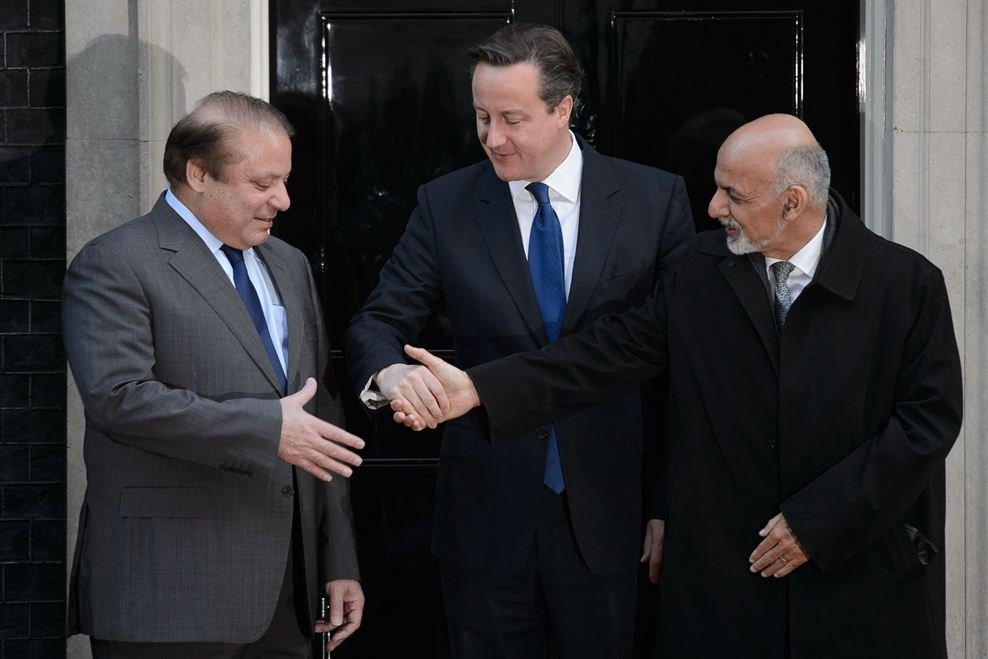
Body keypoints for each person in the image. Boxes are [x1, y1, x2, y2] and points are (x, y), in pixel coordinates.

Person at [393, 114, 964, 659]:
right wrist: (480, 389)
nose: (714, 208)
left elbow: (926, 424)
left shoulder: (905, 285)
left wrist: (818, 523)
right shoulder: (700, 268)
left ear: (793, 203)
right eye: (717, 188)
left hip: (857, 574)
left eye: (733, 196)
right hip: (727, 585)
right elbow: (606, 353)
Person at [343, 23, 694, 659]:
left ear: (564, 110)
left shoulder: (655, 198)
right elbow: (377, 323)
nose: (491, 138)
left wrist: (666, 503)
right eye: (481, 117)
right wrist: (389, 377)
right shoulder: (444, 203)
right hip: (483, 515)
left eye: (511, 118)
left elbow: (678, 362)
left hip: (610, 512)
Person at [63, 91, 366, 658]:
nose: (283, 198)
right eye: (262, 183)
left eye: (284, 179)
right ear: (197, 173)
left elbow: (319, 416)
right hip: (168, 593)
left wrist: (337, 560)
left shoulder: (289, 264)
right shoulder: (115, 262)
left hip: (288, 597)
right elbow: (119, 399)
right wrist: (265, 429)